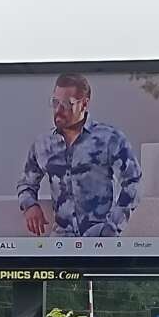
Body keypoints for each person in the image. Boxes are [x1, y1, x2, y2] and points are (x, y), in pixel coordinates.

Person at [16, 73, 143, 238]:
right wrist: (30, 206)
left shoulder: (110, 139)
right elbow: (26, 183)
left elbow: (133, 182)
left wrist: (113, 227)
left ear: (84, 104)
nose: (58, 110)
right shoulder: (43, 145)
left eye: (66, 104)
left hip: (100, 239)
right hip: (61, 242)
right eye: (55, 102)